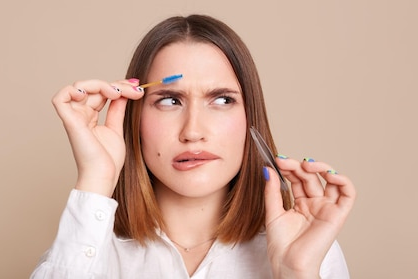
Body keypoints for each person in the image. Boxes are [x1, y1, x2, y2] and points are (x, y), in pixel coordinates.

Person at [31, 14, 356, 279]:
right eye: (170, 100)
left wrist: (297, 273)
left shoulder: (309, 251)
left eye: (222, 99)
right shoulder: (84, 250)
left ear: (250, 117)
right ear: (135, 117)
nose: (193, 131)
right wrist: (96, 179)